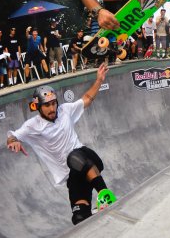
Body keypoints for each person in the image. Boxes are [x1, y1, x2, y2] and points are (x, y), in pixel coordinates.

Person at [6, 63, 116, 225]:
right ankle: (92, 212)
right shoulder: (32, 125)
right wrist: (13, 142)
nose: (52, 108)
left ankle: (105, 195)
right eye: (47, 105)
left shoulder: (65, 110)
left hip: (87, 159)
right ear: (38, 107)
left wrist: (99, 80)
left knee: (74, 157)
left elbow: (86, 99)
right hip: (72, 176)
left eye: (53, 103)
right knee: (79, 219)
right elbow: (12, 135)